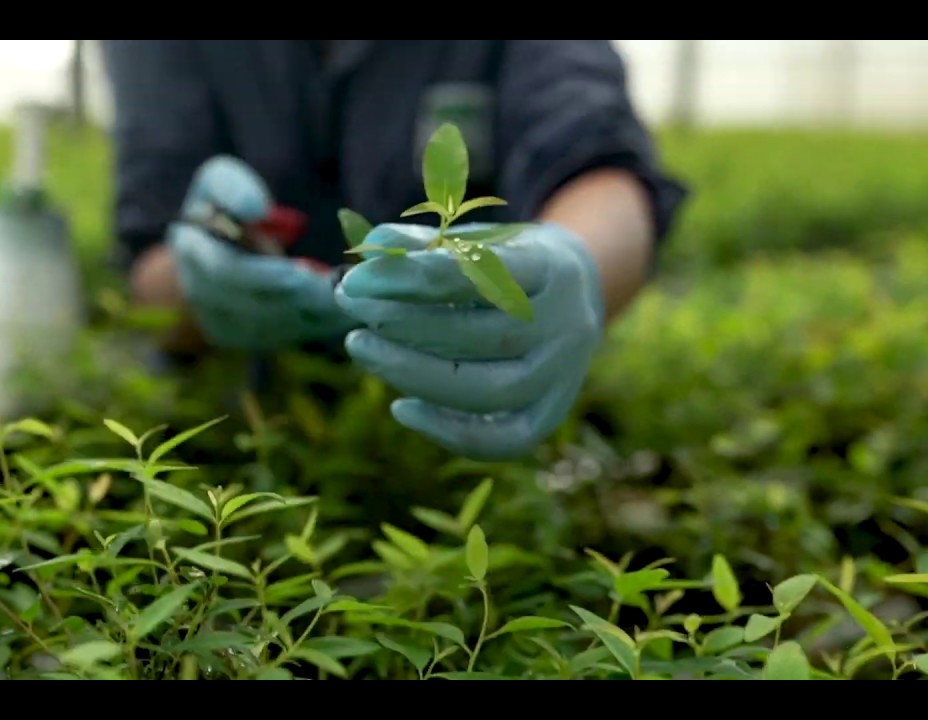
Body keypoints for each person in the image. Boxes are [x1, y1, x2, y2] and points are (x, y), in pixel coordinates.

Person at [100, 40, 688, 462]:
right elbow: (149, 250)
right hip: (236, 435)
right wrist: (199, 282)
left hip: (477, 435)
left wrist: (575, 259)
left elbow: (600, 164)